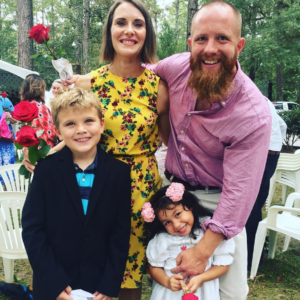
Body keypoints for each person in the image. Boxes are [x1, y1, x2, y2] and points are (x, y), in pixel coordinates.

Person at [22, 1, 169, 299]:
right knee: (83, 257)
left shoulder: (158, 86)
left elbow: (169, 139)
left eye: (138, 24)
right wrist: (49, 151)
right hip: (91, 180)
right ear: (109, 30)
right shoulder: (89, 82)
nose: (129, 30)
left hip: (139, 187)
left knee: (128, 275)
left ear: (147, 33)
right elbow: (77, 125)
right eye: (121, 22)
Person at [146, 1, 272, 299]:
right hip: (175, 198)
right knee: (172, 286)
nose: (210, 48)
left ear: (239, 45)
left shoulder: (253, 115)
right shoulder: (177, 67)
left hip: (222, 205)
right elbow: (132, 76)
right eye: (201, 39)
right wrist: (82, 82)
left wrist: (203, 251)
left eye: (222, 39)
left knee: (230, 294)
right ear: (190, 44)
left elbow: (239, 194)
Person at [22, 88, 131, 300]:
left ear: (102, 124)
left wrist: (110, 283)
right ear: (59, 132)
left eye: (88, 121)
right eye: (70, 124)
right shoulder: (45, 171)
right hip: (54, 284)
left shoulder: (119, 172)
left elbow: (120, 232)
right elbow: (33, 229)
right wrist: (53, 281)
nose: (81, 130)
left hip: (97, 284)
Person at [144, 183, 235, 300]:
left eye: (178, 214)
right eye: (167, 222)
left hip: (204, 293)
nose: (176, 225)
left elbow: (223, 266)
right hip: (169, 295)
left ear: (190, 206)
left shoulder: (210, 233)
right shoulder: (162, 240)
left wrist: (201, 278)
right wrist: (167, 281)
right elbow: (154, 267)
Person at [246, 98, 287, 270]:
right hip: (272, 153)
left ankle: (249, 258)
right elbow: (283, 125)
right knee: (256, 202)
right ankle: (254, 252)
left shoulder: (248, 100)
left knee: (249, 205)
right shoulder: (262, 99)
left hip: (261, 152)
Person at [20, 74, 56, 147]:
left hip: (28, 146)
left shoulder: (22, 108)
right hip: (42, 147)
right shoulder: (41, 107)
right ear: (40, 91)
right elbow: (50, 132)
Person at [0, 94, 17, 167]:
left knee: (8, 167)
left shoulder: (5, 101)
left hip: (6, 140)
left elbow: (15, 120)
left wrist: (9, 117)